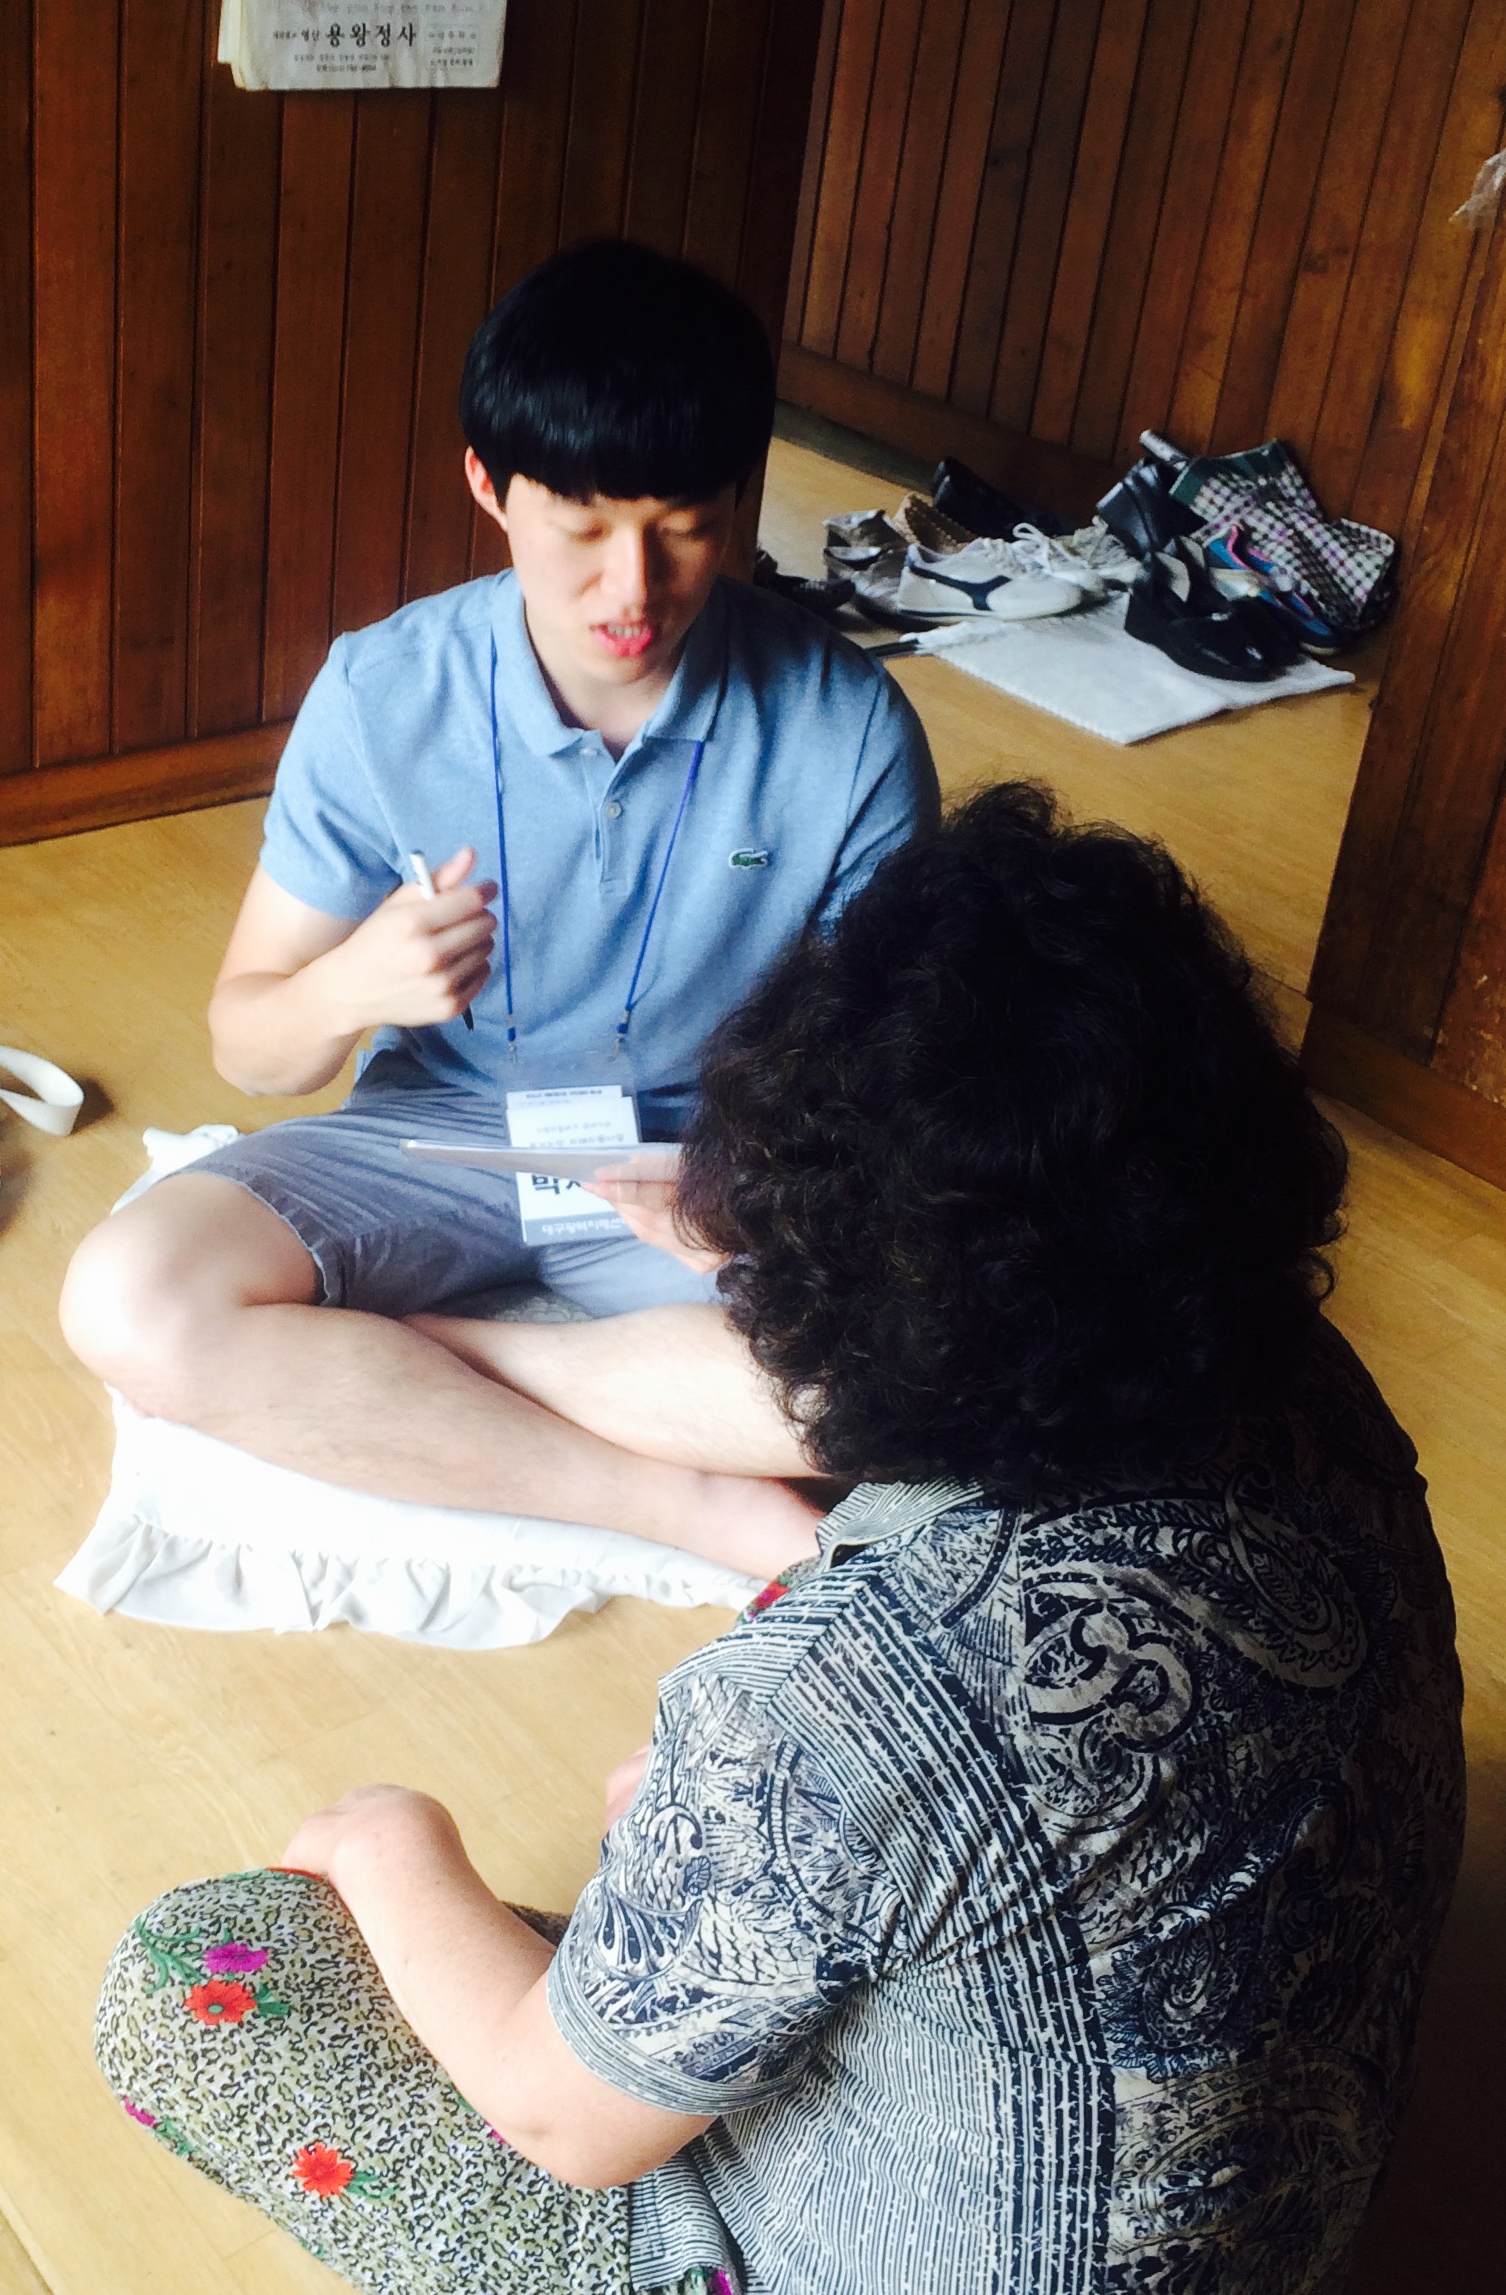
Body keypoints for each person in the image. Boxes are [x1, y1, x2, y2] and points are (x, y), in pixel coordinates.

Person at [93, 785, 1467, 2295]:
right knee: (751, 1872)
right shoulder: (1297, 1382)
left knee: (195, 1974)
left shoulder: (830, 1701)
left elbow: (561, 2122)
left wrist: (387, 1843)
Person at [58, 241, 938, 1579]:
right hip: (442, 1140)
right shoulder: (382, 691)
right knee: (131, 1301)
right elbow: (252, 1047)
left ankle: (449, 1362)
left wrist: (749, 1182)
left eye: (685, 524)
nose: (632, 589)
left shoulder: (847, 725)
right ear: (489, 485)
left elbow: (903, 1072)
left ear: (740, 493)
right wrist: (349, 988)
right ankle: (681, 1503)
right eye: (581, 528)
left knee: (924, 1368)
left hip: (704, 1155)